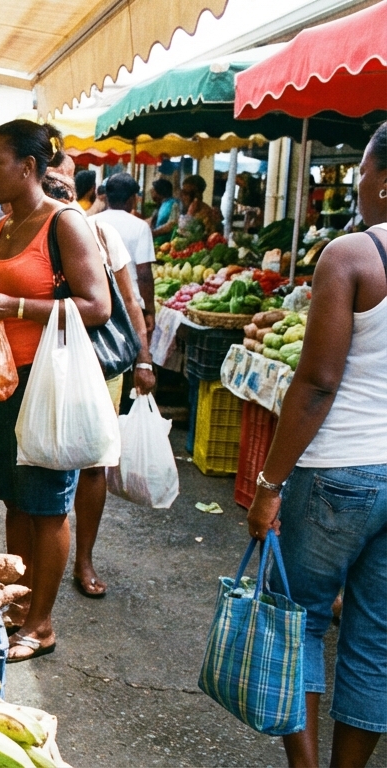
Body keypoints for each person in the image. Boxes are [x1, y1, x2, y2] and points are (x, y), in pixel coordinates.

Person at [247, 122, 387, 768]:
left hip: (337, 471)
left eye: (361, 169)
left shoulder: (351, 256)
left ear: (384, 180)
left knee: (295, 619)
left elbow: (317, 382)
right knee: (374, 641)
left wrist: (270, 485)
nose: (357, 182)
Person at [0, 120, 110, 662]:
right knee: (16, 502)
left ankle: (41, 624)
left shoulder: (66, 224)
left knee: (48, 507)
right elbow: (1, 296)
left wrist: (16, 307)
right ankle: (16, 605)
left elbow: (97, 306)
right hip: (3, 383)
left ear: (28, 167)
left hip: (47, 385)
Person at [41, 169, 157, 599]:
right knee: (45, 457)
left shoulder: (102, 233)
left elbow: (130, 300)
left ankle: (83, 559)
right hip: (42, 366)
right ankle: (47, 556)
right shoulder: (24, 235)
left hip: (101, 367)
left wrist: (143, 359)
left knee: (93, 463)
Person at [91, 173, 157, 333]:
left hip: (97, 302)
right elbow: (144, 274)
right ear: (132, 199)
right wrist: (150, 311)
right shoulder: (140, 226)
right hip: (130, 305)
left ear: (107, 197)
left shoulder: (90, 222)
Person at [149, 178, 179, 246]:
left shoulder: (173, 204)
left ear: (159, 192)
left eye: (153, 191)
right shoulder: (161, 204)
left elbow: (171, 224)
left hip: (166, 244)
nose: (151, 193)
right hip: (158, 243)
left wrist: (153, 233)